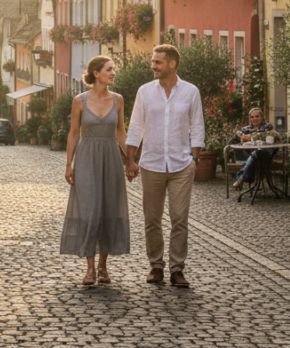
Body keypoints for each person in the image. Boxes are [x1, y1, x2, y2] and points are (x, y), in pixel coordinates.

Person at [125, 44, 205, 288]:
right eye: (153, 61)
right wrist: (130, 159)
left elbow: (197, 126)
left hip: (182, 165)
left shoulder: (190, 92)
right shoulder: (145, 92)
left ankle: (177, 269)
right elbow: (136, 126)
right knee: (152, 219)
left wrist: (194, 159)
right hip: (151, 163)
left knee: (180, 218)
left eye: (158, 62)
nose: (153, 66)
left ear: (172, 64)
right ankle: (156, 266)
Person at [60, 56, 130, 286]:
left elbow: (121, 132)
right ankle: (89, 268)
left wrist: (130, 159)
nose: (113, 73)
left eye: (113, 69)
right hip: (87, 159)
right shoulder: (79, 100)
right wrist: (69, 164)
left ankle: (103, 266)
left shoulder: (118, 99)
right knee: (89, 211)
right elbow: (73, 134)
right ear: (96, 73)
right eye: (109, 69)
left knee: (108, 211)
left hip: (110, 158)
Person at [231, 107, 275, 191]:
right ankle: (244, 178)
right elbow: (233, 141)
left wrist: (254, 137)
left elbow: (271, 138)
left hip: (264, 156)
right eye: (252, 117)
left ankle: (241, 178)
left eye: (257, 116)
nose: (254, 119)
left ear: (262, 117)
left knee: (258, 152)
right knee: (255, 154)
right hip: (248, 155)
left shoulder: (268, 127)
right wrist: (238, 135)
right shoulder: (245, 129)